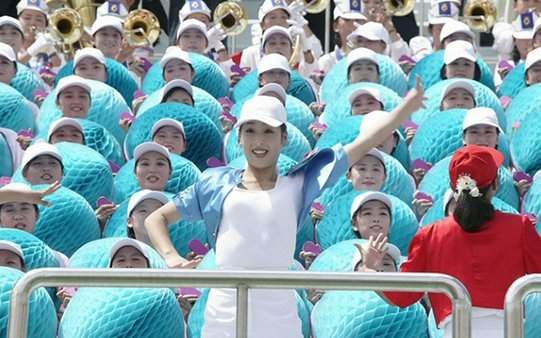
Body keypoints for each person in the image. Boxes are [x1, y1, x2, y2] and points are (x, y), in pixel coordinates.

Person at [143, 78, 425, 338]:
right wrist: (172, 258)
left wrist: (402, 112)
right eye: (250, 131)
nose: (259, 141)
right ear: (239, 138)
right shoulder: (215, 182)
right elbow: (156, 218)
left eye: (268, 131)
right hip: (223, 313)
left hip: (279, 315)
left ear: (284, 138)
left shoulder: (298, 184)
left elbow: (362, 144)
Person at [368, 145, 541, 338]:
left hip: (455, 330)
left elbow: (401, 296)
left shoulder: (431, 234)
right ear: (495, 185)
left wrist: (370, 270)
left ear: (453, 188)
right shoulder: (519, 226)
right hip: (508, 328)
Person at [318, 1, 367, 75]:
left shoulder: (373, 57)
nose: (354, 24)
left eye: (358, 20)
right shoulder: (327, 61)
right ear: (336, 26)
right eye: (347, 20)